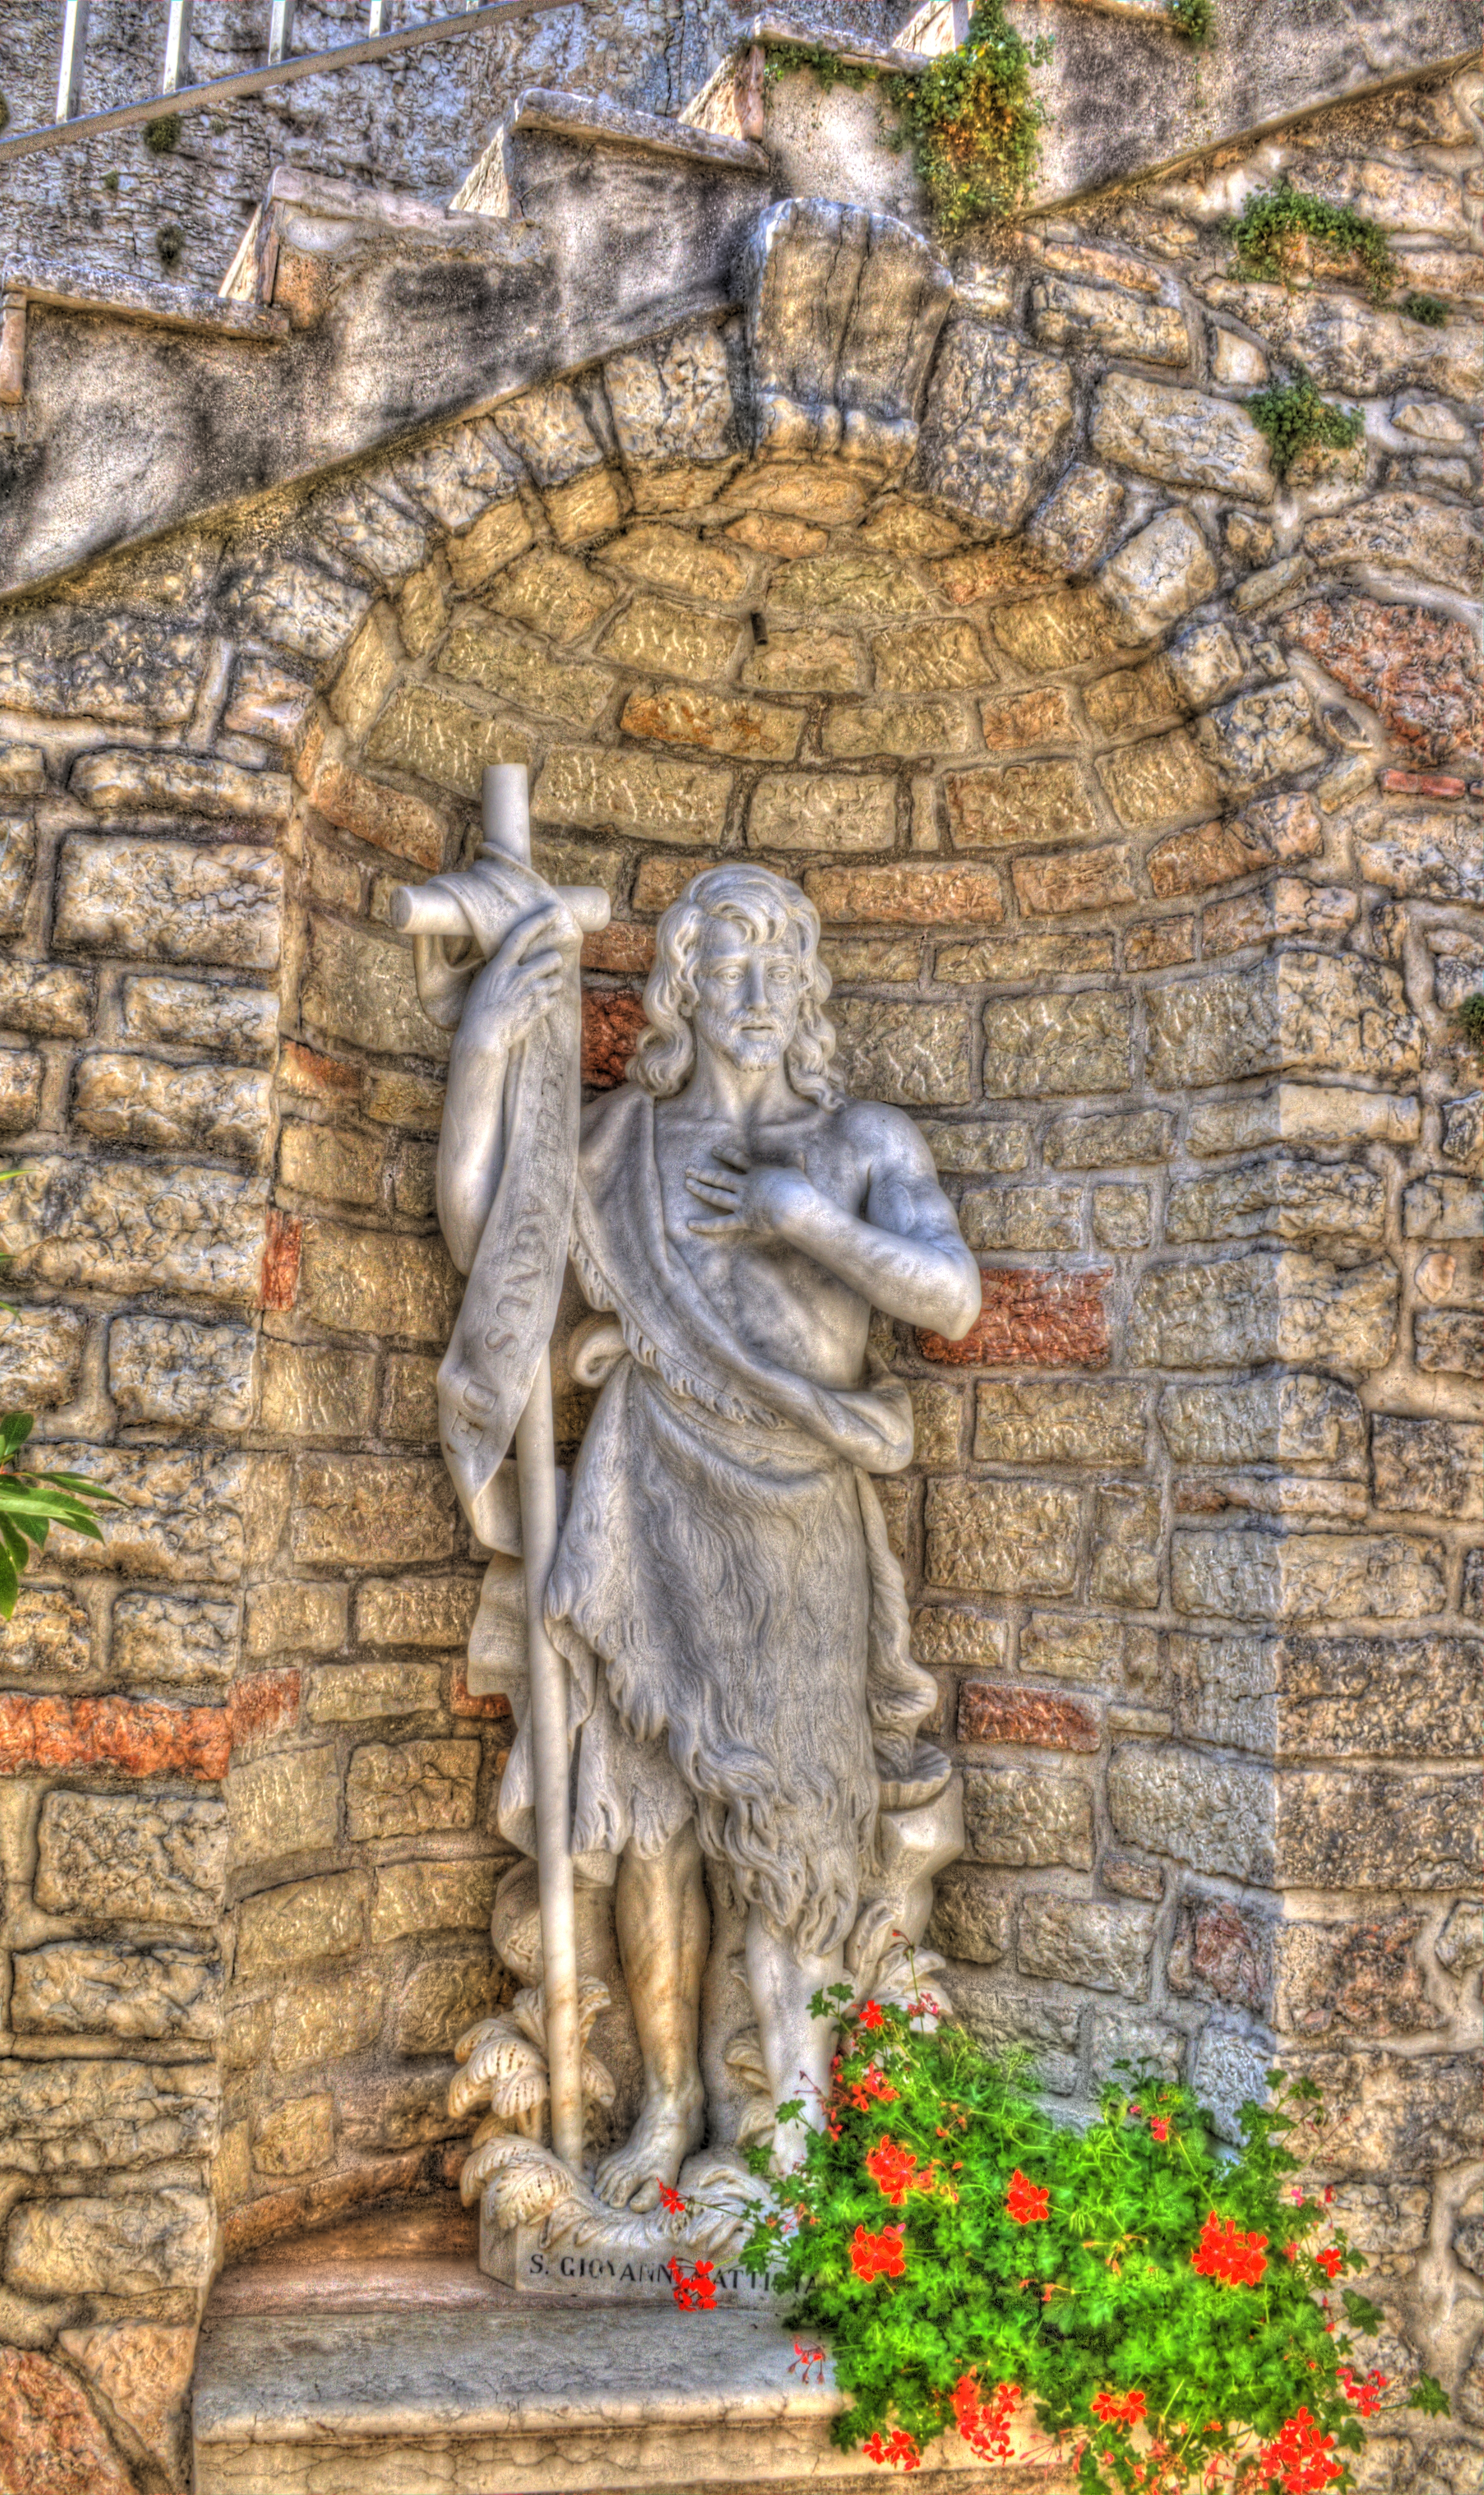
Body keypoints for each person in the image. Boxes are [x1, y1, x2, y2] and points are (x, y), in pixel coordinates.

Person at [439, 863, 981, 2208]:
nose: (750, 991)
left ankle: (779, 2120)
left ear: (805, 988)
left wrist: (805, 1218)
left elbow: (949, 1297)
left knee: (793, 1817)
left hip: (797, 1511)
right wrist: (485, 1059)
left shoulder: (859, 1141)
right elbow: (493, 1244)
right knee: (645, 1818)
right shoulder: (621, 1143)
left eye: (774, 966)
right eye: (721, 965)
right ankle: (666, 2105)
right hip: (647, 1491)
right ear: (680, 985)